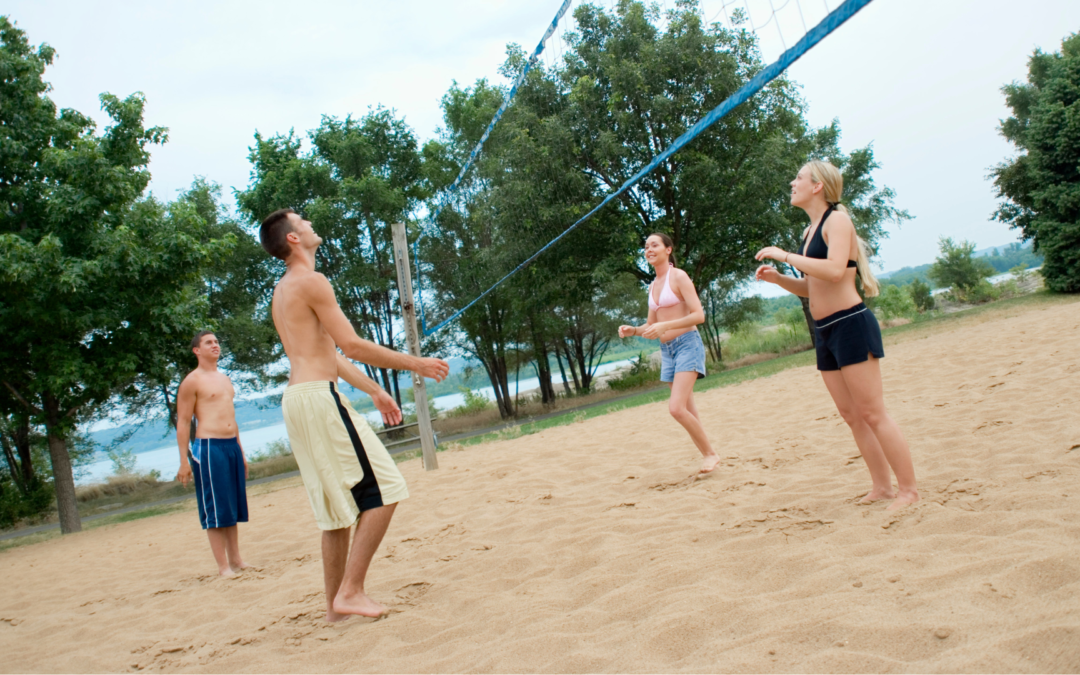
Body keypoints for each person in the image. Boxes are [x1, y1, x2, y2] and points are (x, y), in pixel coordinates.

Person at [260, 208, 450, 622]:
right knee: (386, 489)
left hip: (299, 399)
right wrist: (415, 363)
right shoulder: (312, 281)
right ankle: (352, 590)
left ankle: (335, 610)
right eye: (302, 221)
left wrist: (376, 390)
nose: (310, 223)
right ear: (293, 238)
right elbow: (353, 346)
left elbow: (327, 352)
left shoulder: (284, 289)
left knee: (336, 512)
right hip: (318, 398)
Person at [754, 160, 919, 511]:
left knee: (874, 413)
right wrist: (779, 278)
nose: (792, 182)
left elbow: (832, 272)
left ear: (817, 186)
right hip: (825, 331)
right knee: (851, 415)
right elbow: (813, 287)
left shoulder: (837, 221)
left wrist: (784, 256)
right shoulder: (809, 230)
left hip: (850, 323)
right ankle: (882, 487)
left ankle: (908, 491)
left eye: (798, 177)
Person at [618, 233, 720, 474]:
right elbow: (650, 324)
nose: (649, 249)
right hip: (668, 351)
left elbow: (699, 315)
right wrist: (633, 330)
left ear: (668, 249)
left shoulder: (679, 276)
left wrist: (665, 327)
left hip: (687, 344)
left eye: (654, 245)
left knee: (676, 408)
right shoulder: (652, 285)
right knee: (688, 410)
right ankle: (709, 456)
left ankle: (711, 454)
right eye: (646, 247)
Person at [176, 331, 251, 577]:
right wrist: (183, 461)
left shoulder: (225, 379)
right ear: (196, 350)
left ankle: (236, 560)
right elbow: (184, 422)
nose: (215, 345)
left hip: (230, 446)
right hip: (208, 448)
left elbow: (232, 417)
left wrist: (240, 451)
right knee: (215, 508)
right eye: (209, 342)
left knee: (232, 505)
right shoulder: (192, 381)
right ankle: (223, 567)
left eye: (217, 341)